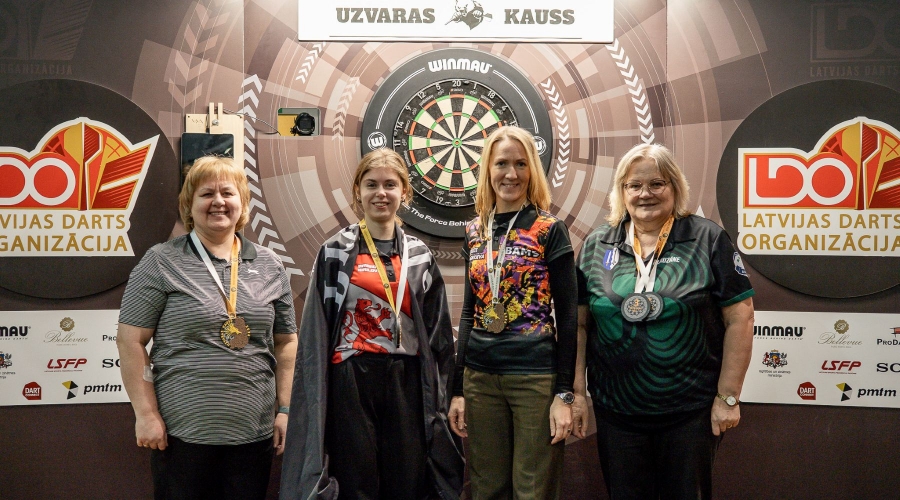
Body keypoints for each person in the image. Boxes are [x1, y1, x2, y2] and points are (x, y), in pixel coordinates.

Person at [571, 143, 755, 499]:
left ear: (674, 186)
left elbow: (741, 318)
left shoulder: (707, 238)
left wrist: (728, 397)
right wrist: (577, 394)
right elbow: (578, 325)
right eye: (634, 185)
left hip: (689, 412)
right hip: (617, 413)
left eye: (657, 183)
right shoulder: (597, 244)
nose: (645, 194)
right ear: (622, 191)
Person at [280, 149, 463, 500]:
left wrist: (450, 390)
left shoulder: (419, 255)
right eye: (371, 185)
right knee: (355, 479)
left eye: (390, 185)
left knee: (407, 479)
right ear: (358, 192)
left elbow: (439, 335)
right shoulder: (335, 251)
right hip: (352, 377)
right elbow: (316, 331)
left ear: (404, 192)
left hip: (406, 379)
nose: (381, 193)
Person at [116, 155, 298, 499]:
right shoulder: (161, 261)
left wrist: (286, 409)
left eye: (227, 193)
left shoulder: (270, 264)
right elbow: (130, 341)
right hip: (181, 435)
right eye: (206, 194)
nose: (218, 201)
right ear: (189, 204)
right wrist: (146, 414)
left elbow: (286, 341)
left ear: (242, 203)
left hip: (253, 434)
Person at [448, 125, 578, 500]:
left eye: (521, 164)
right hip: (480, 379)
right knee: (486, 488)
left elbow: (569, 316)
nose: (511, 174)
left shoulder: (549, 229)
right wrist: (458, 389)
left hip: (534, 378)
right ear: (488, 170)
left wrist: (565, 393)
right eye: (502, 163)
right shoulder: (475, 231)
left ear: (532, 170)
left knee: (532, 489)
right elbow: (470, 312)